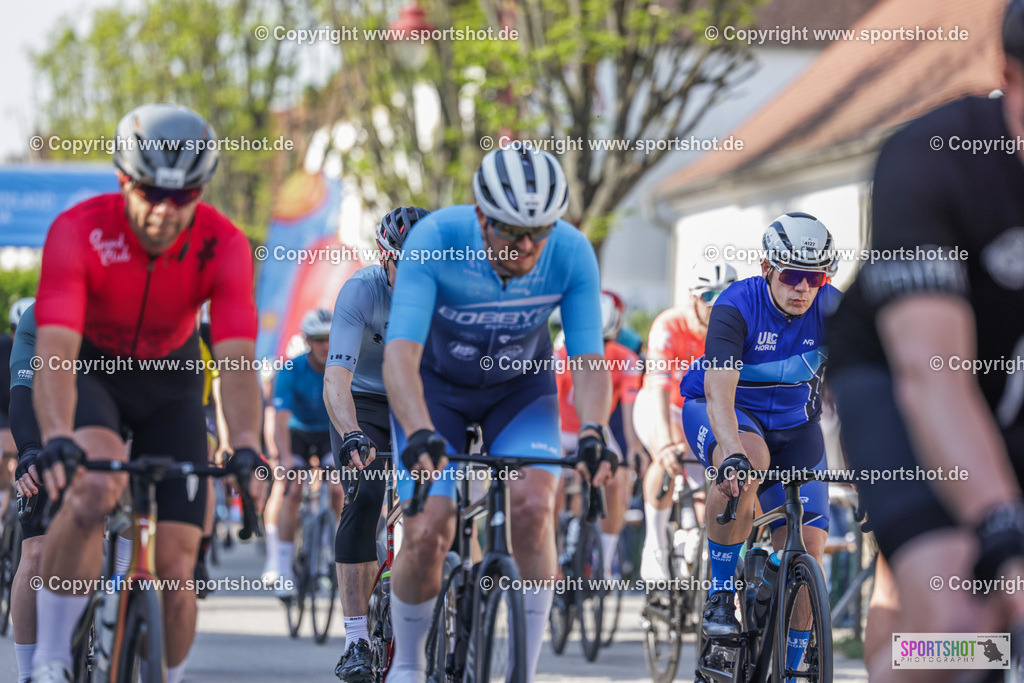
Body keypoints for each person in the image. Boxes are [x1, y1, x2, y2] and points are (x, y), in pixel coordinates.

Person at [28, 103, 266, 683]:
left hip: (171, 381)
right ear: (122, 179)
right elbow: (54, 349)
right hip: (94, 370)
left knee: (177, 570)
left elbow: (236, 359)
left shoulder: (224, 244)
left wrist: (246, 445)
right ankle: (50, 658)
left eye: (183, 197)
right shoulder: (78, 230)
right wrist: (56, 435)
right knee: (93, 490)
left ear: (201, 192)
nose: (164, 211)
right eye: (150, 193)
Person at [827, 3, 1024, 679]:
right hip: (900, 383)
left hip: (1009, 389)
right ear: (1008, 78)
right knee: (959, 619)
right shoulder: (933, 157)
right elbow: (932, 374)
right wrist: (1001, 527)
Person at [382, 143, 615, 683]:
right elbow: (400, 355)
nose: (526, 245)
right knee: (427, 527)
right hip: (434, 389)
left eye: (539, 232)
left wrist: (593, 430)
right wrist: (417, 430)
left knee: (534, 506)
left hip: (520, 391)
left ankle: (523, 671)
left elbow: (588, 360)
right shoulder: (435, 239)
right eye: (511, 231)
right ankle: (409, 665)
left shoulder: (572, 251)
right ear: (482, 216)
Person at [680, 213, 839, 676]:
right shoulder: (737, 304)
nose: (803, 288)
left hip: (796, 426)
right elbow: (719, 396)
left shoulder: (834, 309)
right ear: (767, 267)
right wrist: (730, 455)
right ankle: (720, 595)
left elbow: (864, 394)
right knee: (748, 463)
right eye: (791, 275)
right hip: (727, 411)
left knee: (809, 552)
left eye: (815, 277)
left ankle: (790, 665)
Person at [325, 206, 429, 682]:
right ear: (385, 259)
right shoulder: (361, 291)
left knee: (437, 499)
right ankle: (355, 640)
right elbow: (336, 379)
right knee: (365, 494)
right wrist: (350, 433)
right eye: (406, 266)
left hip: (416, 398)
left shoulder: (446, 293)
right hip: (363, 400)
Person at [635, 261, 737, 581]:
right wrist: (665, 442)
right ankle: (654, 545)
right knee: (668, 457)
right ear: (693, 297)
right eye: (709, 295)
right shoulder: (670, 324)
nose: (717, 303)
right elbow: (658, 386)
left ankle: (699, 551)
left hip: (700, 410)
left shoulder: (737, 329)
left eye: (725, 295)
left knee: (706, 478)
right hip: (661, 404)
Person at [554, 290, 644, 579]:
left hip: (597, 429)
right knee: (552, 482)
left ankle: (604, 561)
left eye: (604, 342)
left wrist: (633, 449)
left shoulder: (627, 359)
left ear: (615, 333)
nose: (598, 350)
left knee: (615, 479)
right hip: (560, 429)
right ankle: (552, 552)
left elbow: (629, 412)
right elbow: (550, 406)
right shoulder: (560, 354)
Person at [270, 308, 343, 597]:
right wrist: (286, 458)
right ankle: (283, 568)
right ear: (308, 341)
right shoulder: (291, 369)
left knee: (337, 487)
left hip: (328, 433)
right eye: (318, 339)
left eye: (330, 339)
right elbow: (280, 419)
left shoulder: (341, 367)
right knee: (293, 490)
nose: (325, 345)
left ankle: (328, 549)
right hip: (298, 433)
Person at [8, 300, 42, 683]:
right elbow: (21, 395)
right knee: (35, 553)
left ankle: (122, 597)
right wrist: (29, 450)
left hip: (112, 422)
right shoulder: (38, 318)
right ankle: (28, 674)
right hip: (48, 423)